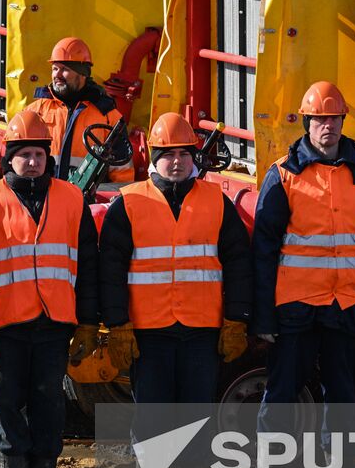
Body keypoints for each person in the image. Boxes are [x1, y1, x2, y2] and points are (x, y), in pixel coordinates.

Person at [0, 110, 99, 468]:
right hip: (4, 325)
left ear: (48, 157)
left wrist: (88, 322)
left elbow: (88, 265)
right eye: (24, 155)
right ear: (9, 158)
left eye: (38, 154)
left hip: (54, 323)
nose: (33, 162)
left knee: (49, 402)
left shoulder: (71, 199)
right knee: (5, 403)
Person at [250, 82, 355, 413]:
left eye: (333, 118)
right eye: (319, 119)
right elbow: (262, 252)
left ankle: (339, 465)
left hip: (347, 305)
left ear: (343, 121)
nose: (327, 126)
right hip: (295, 309)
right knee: (281, 392)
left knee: (344, 395)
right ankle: (274, 464)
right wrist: (263, 318)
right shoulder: (284, 175)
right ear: (306, 123)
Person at [99, 112, 252, 417]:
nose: (178, 161)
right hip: (148, 333)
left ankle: (190, 467)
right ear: (155, 157)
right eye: (168, 154)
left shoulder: (217, 202)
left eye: (185, 153)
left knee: (195, 416)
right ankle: (154, 467)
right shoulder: (128, 204)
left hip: (202, 333)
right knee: (153, 418)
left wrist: (237, 320)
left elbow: (239, 264)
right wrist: (117, 324)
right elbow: (110, 271)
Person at [23, 36, 133, 184]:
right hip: (44, 197)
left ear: (82, 74)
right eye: (55, 69)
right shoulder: (35, 112)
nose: (57, 75)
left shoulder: (109, 117)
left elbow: (122, 173)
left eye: (65, 69)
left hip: (87, 202)